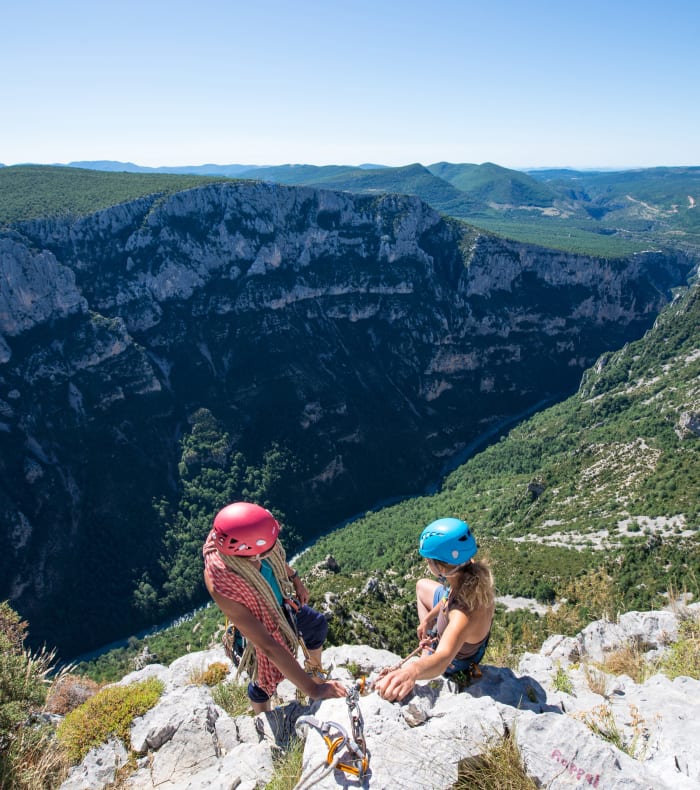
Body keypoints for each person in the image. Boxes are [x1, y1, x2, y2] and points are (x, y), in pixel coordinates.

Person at [203, 501, 347, 712]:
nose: (275, 546)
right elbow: (267, 645)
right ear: (251, 553)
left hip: (281, 607)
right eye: (267, 547)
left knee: (316, 625)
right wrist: (313, 692)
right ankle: (263, 715)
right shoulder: (222, 583)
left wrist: (295, 579)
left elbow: (273, 555)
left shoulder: (240, 536)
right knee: (263, 679)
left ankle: (315, 675)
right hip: (258, 629)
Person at [375, 517, 495, 702]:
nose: (427, 564)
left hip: (457, 661)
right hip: (466, 639)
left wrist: (412, 671)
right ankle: (430, 640)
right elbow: (448, 596)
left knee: (435, 656)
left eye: (429, 561)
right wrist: (428, 619)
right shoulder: (469, 575)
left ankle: (425, 655)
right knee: (422, 586)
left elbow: (443, 659)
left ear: (440, 567)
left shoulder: (462, 615)